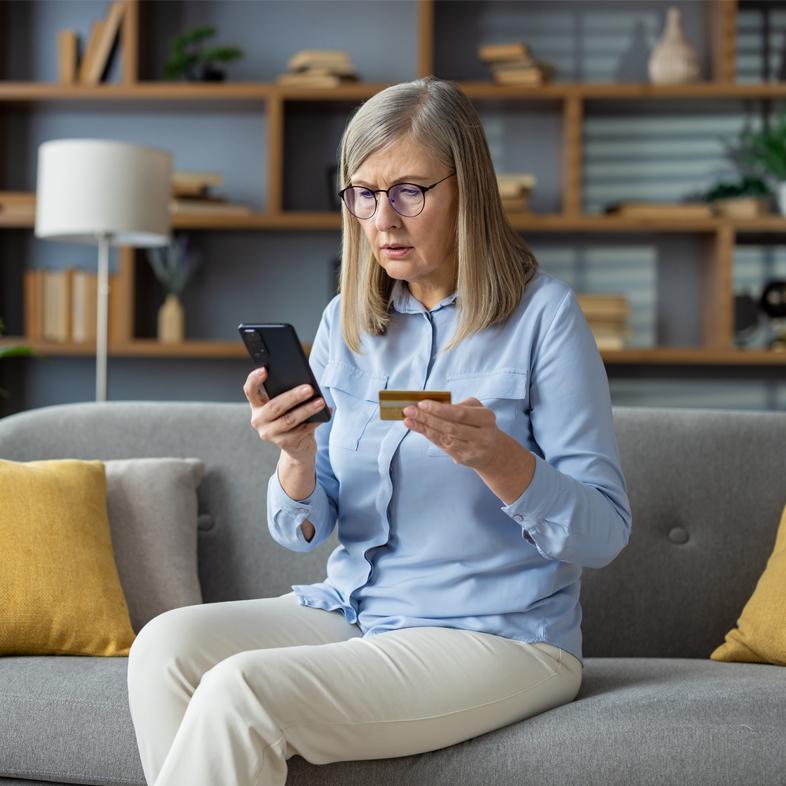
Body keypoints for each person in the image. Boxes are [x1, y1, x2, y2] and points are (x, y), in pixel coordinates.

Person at [126, 75, 632, 786]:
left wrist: (502, 462)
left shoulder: (545, 319)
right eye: (362, 192)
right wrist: (298, 458)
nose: (382, 219)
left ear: (468, 189)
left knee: (241, 692)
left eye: (408, 191)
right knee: (165, 645)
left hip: (499, 636)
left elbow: (605, 531)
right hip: (359, 608)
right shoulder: (349, 323)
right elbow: (306, 522)